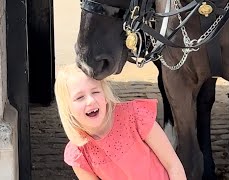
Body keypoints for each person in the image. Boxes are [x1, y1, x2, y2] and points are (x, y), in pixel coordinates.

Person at [54, 63, 186, 180]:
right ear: (68, 108)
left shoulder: (136, 116)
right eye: (80, 97)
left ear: (105, 95)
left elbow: (173, 165)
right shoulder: (79, 153)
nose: (91, 101)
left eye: (95, 92)